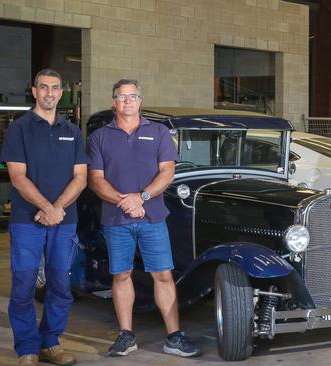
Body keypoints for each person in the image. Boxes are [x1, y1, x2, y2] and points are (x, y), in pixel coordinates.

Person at [87, 79, 201, 357]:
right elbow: (95, 179)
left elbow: (167, 172)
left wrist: (142, 198)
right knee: (121, 274)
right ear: (114, 101)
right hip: (116, 219)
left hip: (153, 218)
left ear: (140, 100)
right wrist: (125, 201)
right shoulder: (99, 137)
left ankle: (174, 337)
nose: (127, 101)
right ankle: (126, 336)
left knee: (163, 274)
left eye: (133, 96)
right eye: (122, 96)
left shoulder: (159, 132)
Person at [1, 68, 87, 366]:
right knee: (24, 283)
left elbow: (81, 178)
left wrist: (57, 209)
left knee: (61, 285)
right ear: (34, 91)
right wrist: (46, 208)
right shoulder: (19, 128)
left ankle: (50, 343)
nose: (49, 92)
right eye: (43, 87)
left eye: (55, 87)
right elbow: (17, 176)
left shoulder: (72, 131)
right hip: (27, 220)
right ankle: (27, 347)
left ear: (61, 92)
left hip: (64, 222)